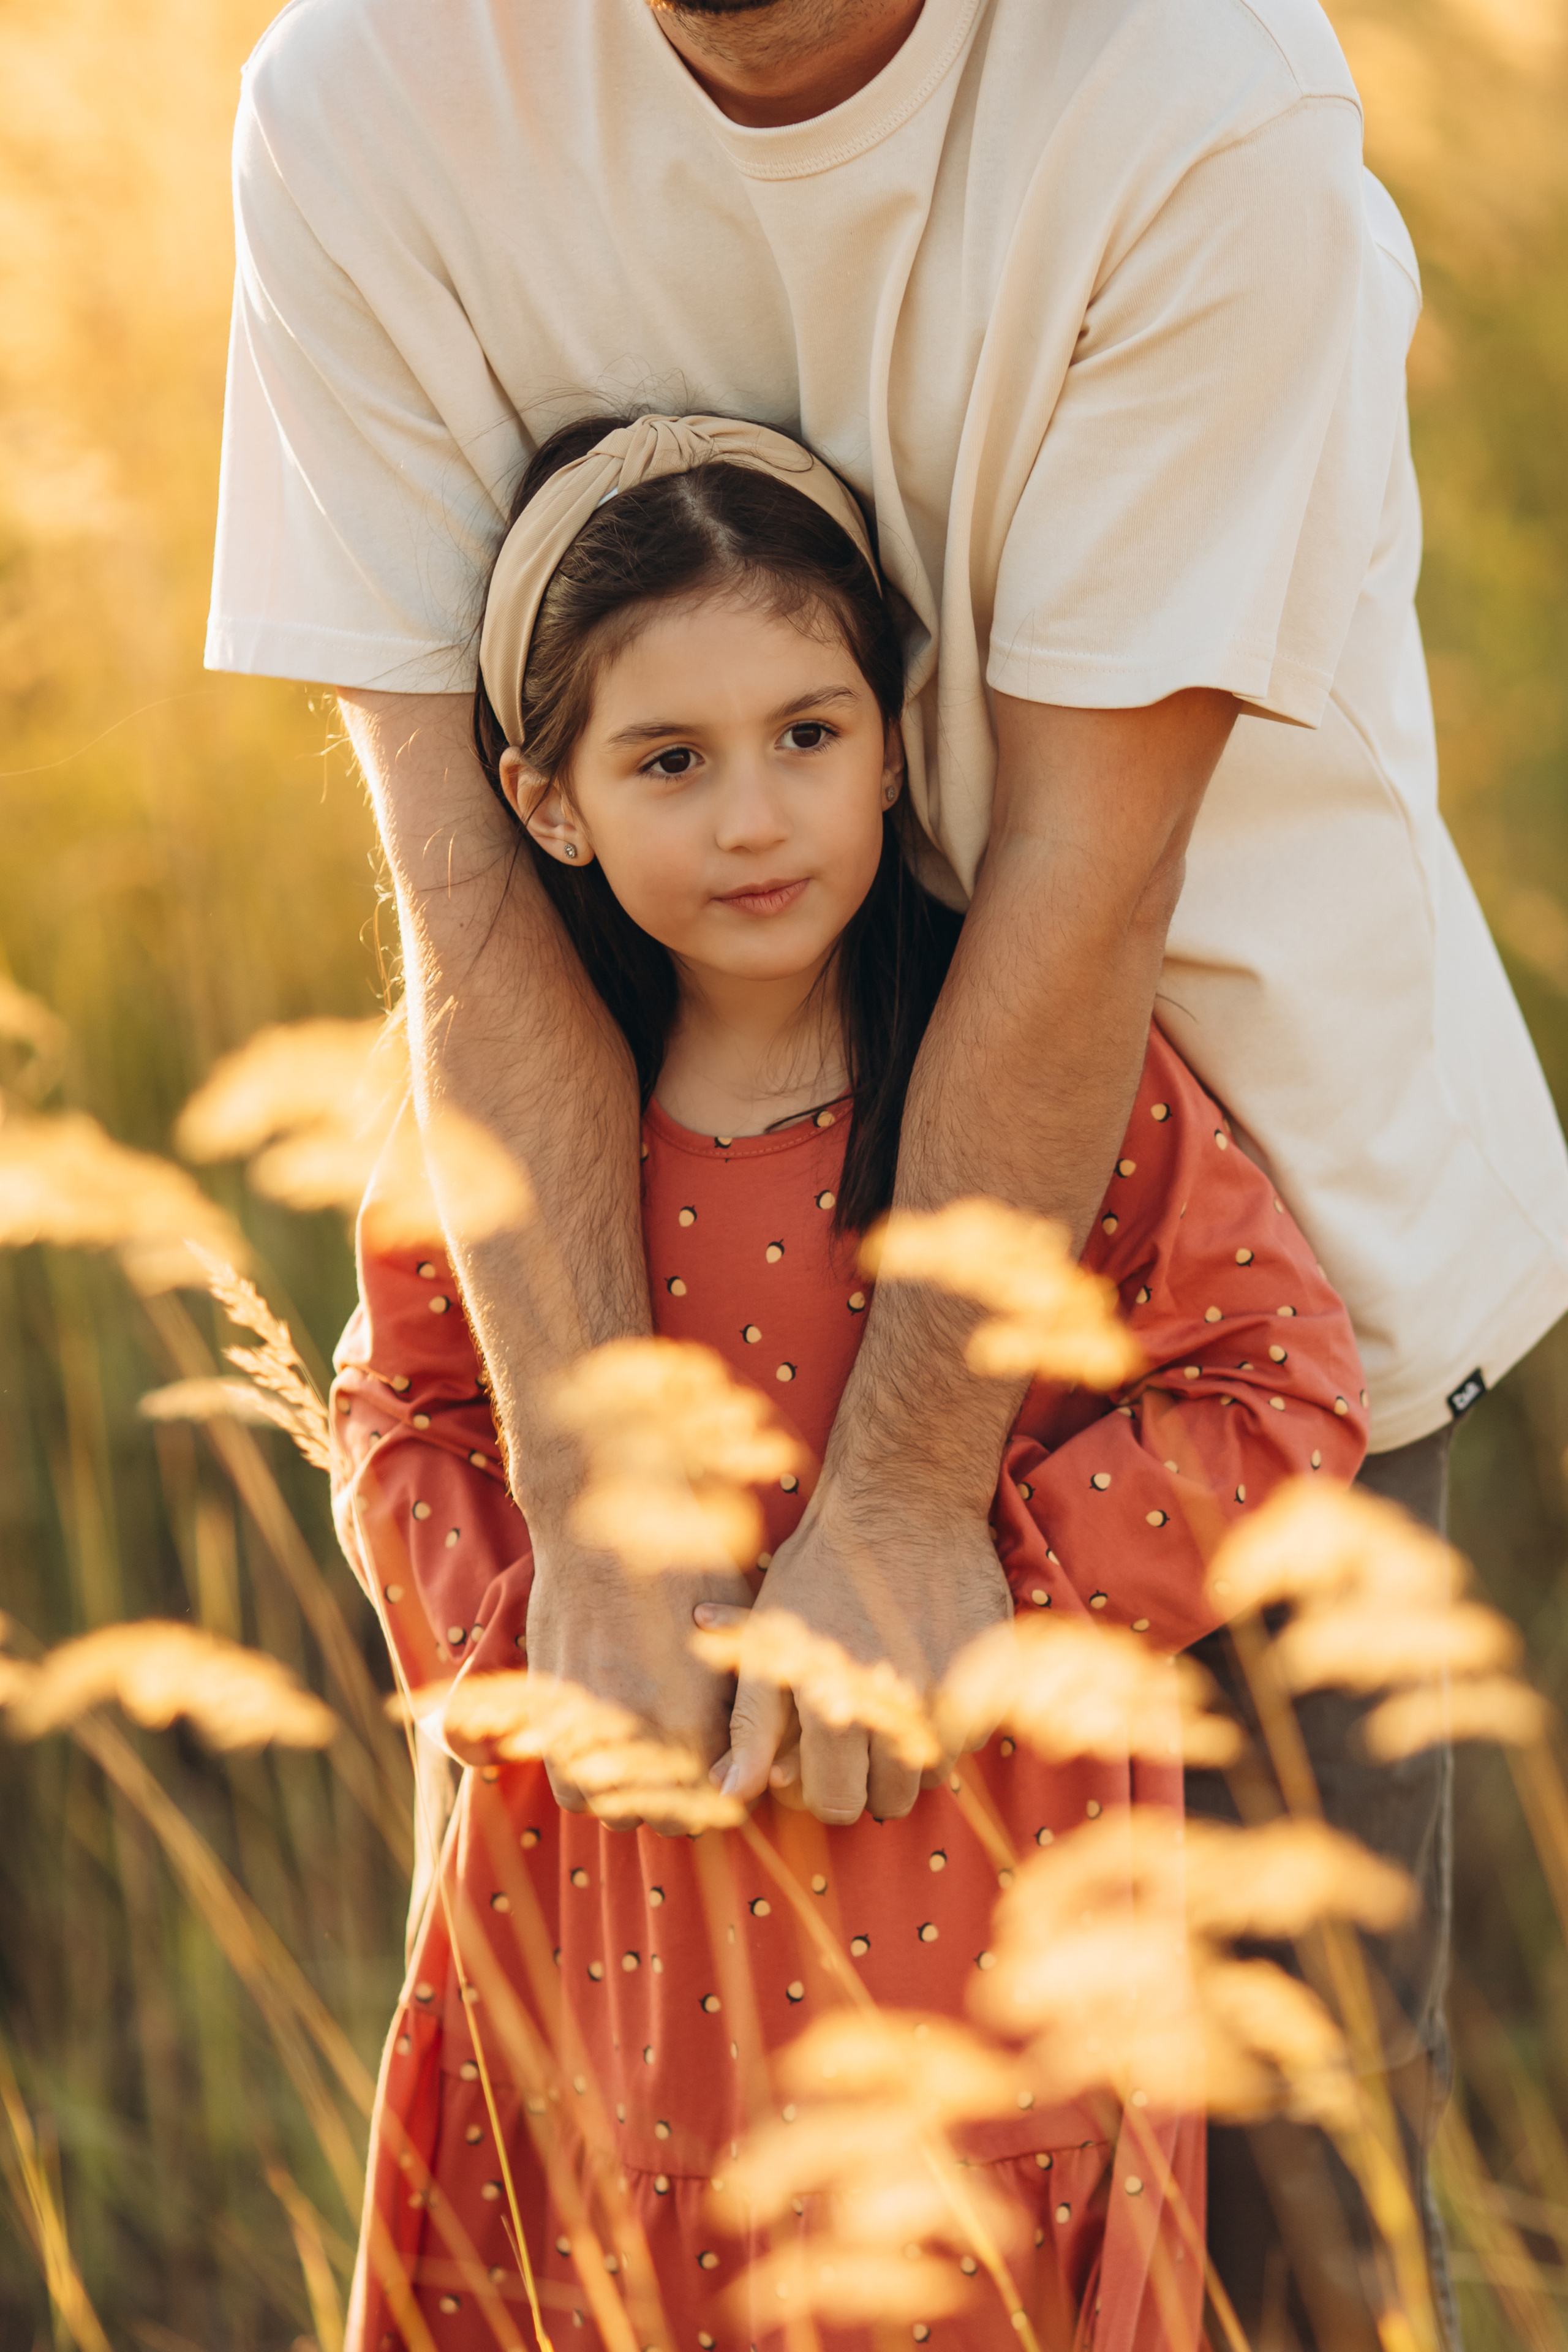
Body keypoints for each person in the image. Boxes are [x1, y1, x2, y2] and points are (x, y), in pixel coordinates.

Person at [206, 0, 1568, 2328]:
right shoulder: (370, 100)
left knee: (1278, 2238)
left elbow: (1082, 886)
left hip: (1190, 1339)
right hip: (602, 1333)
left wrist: (937, 1509)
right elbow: (463, 890)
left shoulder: (1186, 95)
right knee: (623, 2227)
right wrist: (592, 1532)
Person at [328, 413, 1371, 2350]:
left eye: (808, 735)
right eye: (669, 761)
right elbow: (399, 1418)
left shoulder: (1043, 1081)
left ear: (896, 741)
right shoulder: (519, 1134)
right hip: (614, 1968)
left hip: (991, 1978)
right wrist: (549, 1642)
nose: (754, 818)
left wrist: (994, 1586)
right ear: (544, 803)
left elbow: (1280, 1388)